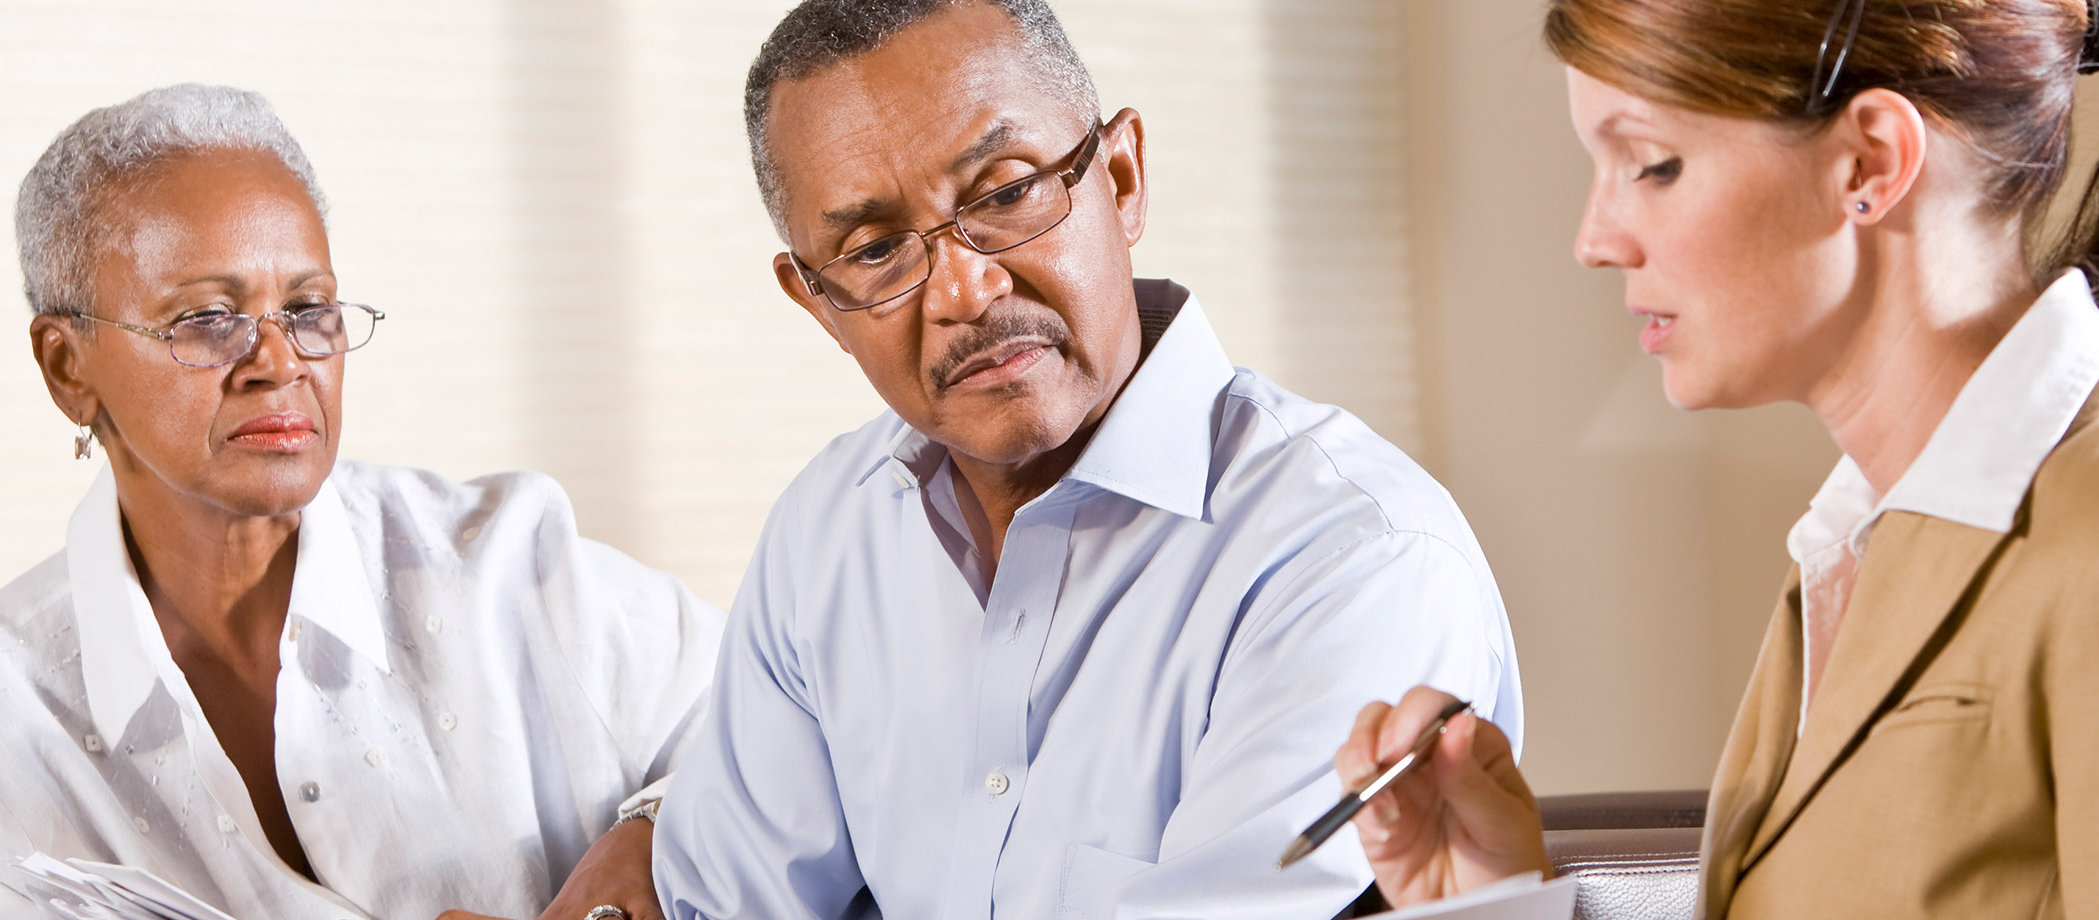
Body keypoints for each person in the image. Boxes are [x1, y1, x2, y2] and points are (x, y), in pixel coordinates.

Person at [1338, 0, 2099, 917]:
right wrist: (1494, 892)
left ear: (1870, 161)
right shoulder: (1858, 550)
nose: (1596, 235)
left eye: (1653, 165)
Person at [648, 1, 1523, 917]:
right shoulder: (827, 530)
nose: (964, 289)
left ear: (1122, 175)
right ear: (820, 303)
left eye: (1004, 193)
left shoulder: (1351, 557)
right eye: (873, 250)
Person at [0, 84, 721, 920]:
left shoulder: (513, 566)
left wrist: (650, 834)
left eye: (307, 309)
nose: (279, 361)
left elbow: (792, 732)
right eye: (208, 317)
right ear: (68, 368)